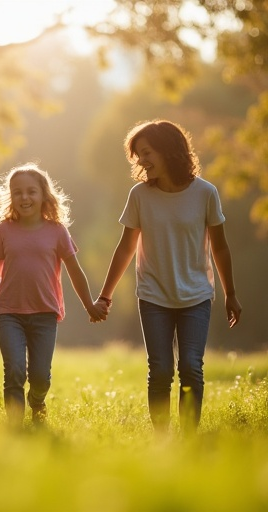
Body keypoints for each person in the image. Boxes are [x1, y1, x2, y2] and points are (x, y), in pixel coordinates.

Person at [95, 119, 242, 434]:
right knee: (160, 370)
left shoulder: (205, 193)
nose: (142, 162)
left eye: (146, 153)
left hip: (196, 296)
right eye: (138, 156)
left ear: (168, 150)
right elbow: (125, 249)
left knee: (191, 366)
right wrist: (105, 295)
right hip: (154, 296)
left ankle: (188, 437)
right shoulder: (140, 196)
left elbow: (220, 247)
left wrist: (230, 293)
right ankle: (161, 438)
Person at [0, 162, 109, 426]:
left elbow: (75, 271)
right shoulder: (3, 230)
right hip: (9, 312)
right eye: (17, 192)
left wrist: (90, 305)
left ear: (43, 196)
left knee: (41, 377)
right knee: (14, 371)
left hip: (45, 313)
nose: (24, 197)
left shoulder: (57, 231)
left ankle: (37, 401)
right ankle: (15, 426)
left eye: (31, 192)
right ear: (11, 196)